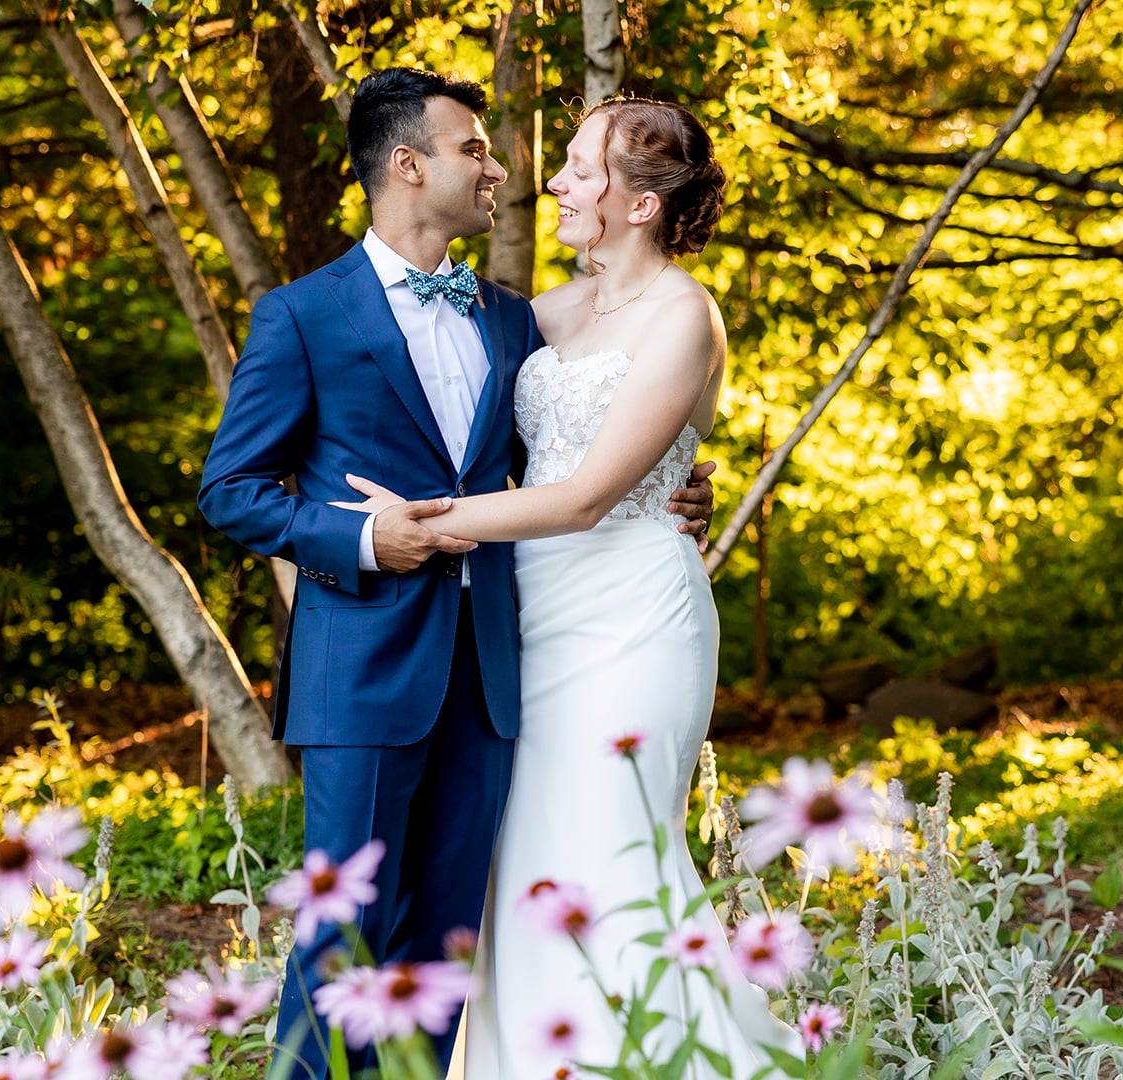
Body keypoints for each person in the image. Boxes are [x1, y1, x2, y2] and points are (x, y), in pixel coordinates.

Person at [195, 70, 712, 1080]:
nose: (500, 167)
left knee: (445, 946)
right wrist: (360, 539)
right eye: (474, 148)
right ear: (407, 163)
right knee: (340, 941)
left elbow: (593, 451)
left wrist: (686, 486)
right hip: (363, 671)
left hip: (495, 674)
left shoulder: (516, 320)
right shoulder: (302, 316)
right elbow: (231, 492)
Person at [342, 98, 802, 1079]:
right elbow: (430, 388)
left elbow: (590, 496)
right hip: (528, 622)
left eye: (582, 170)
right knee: (528, 864)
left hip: (634, 616)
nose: (555, 183)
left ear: (639, 205)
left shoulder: (687, 315)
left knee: (612, 850)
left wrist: (424, 522)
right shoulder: (546, 312)